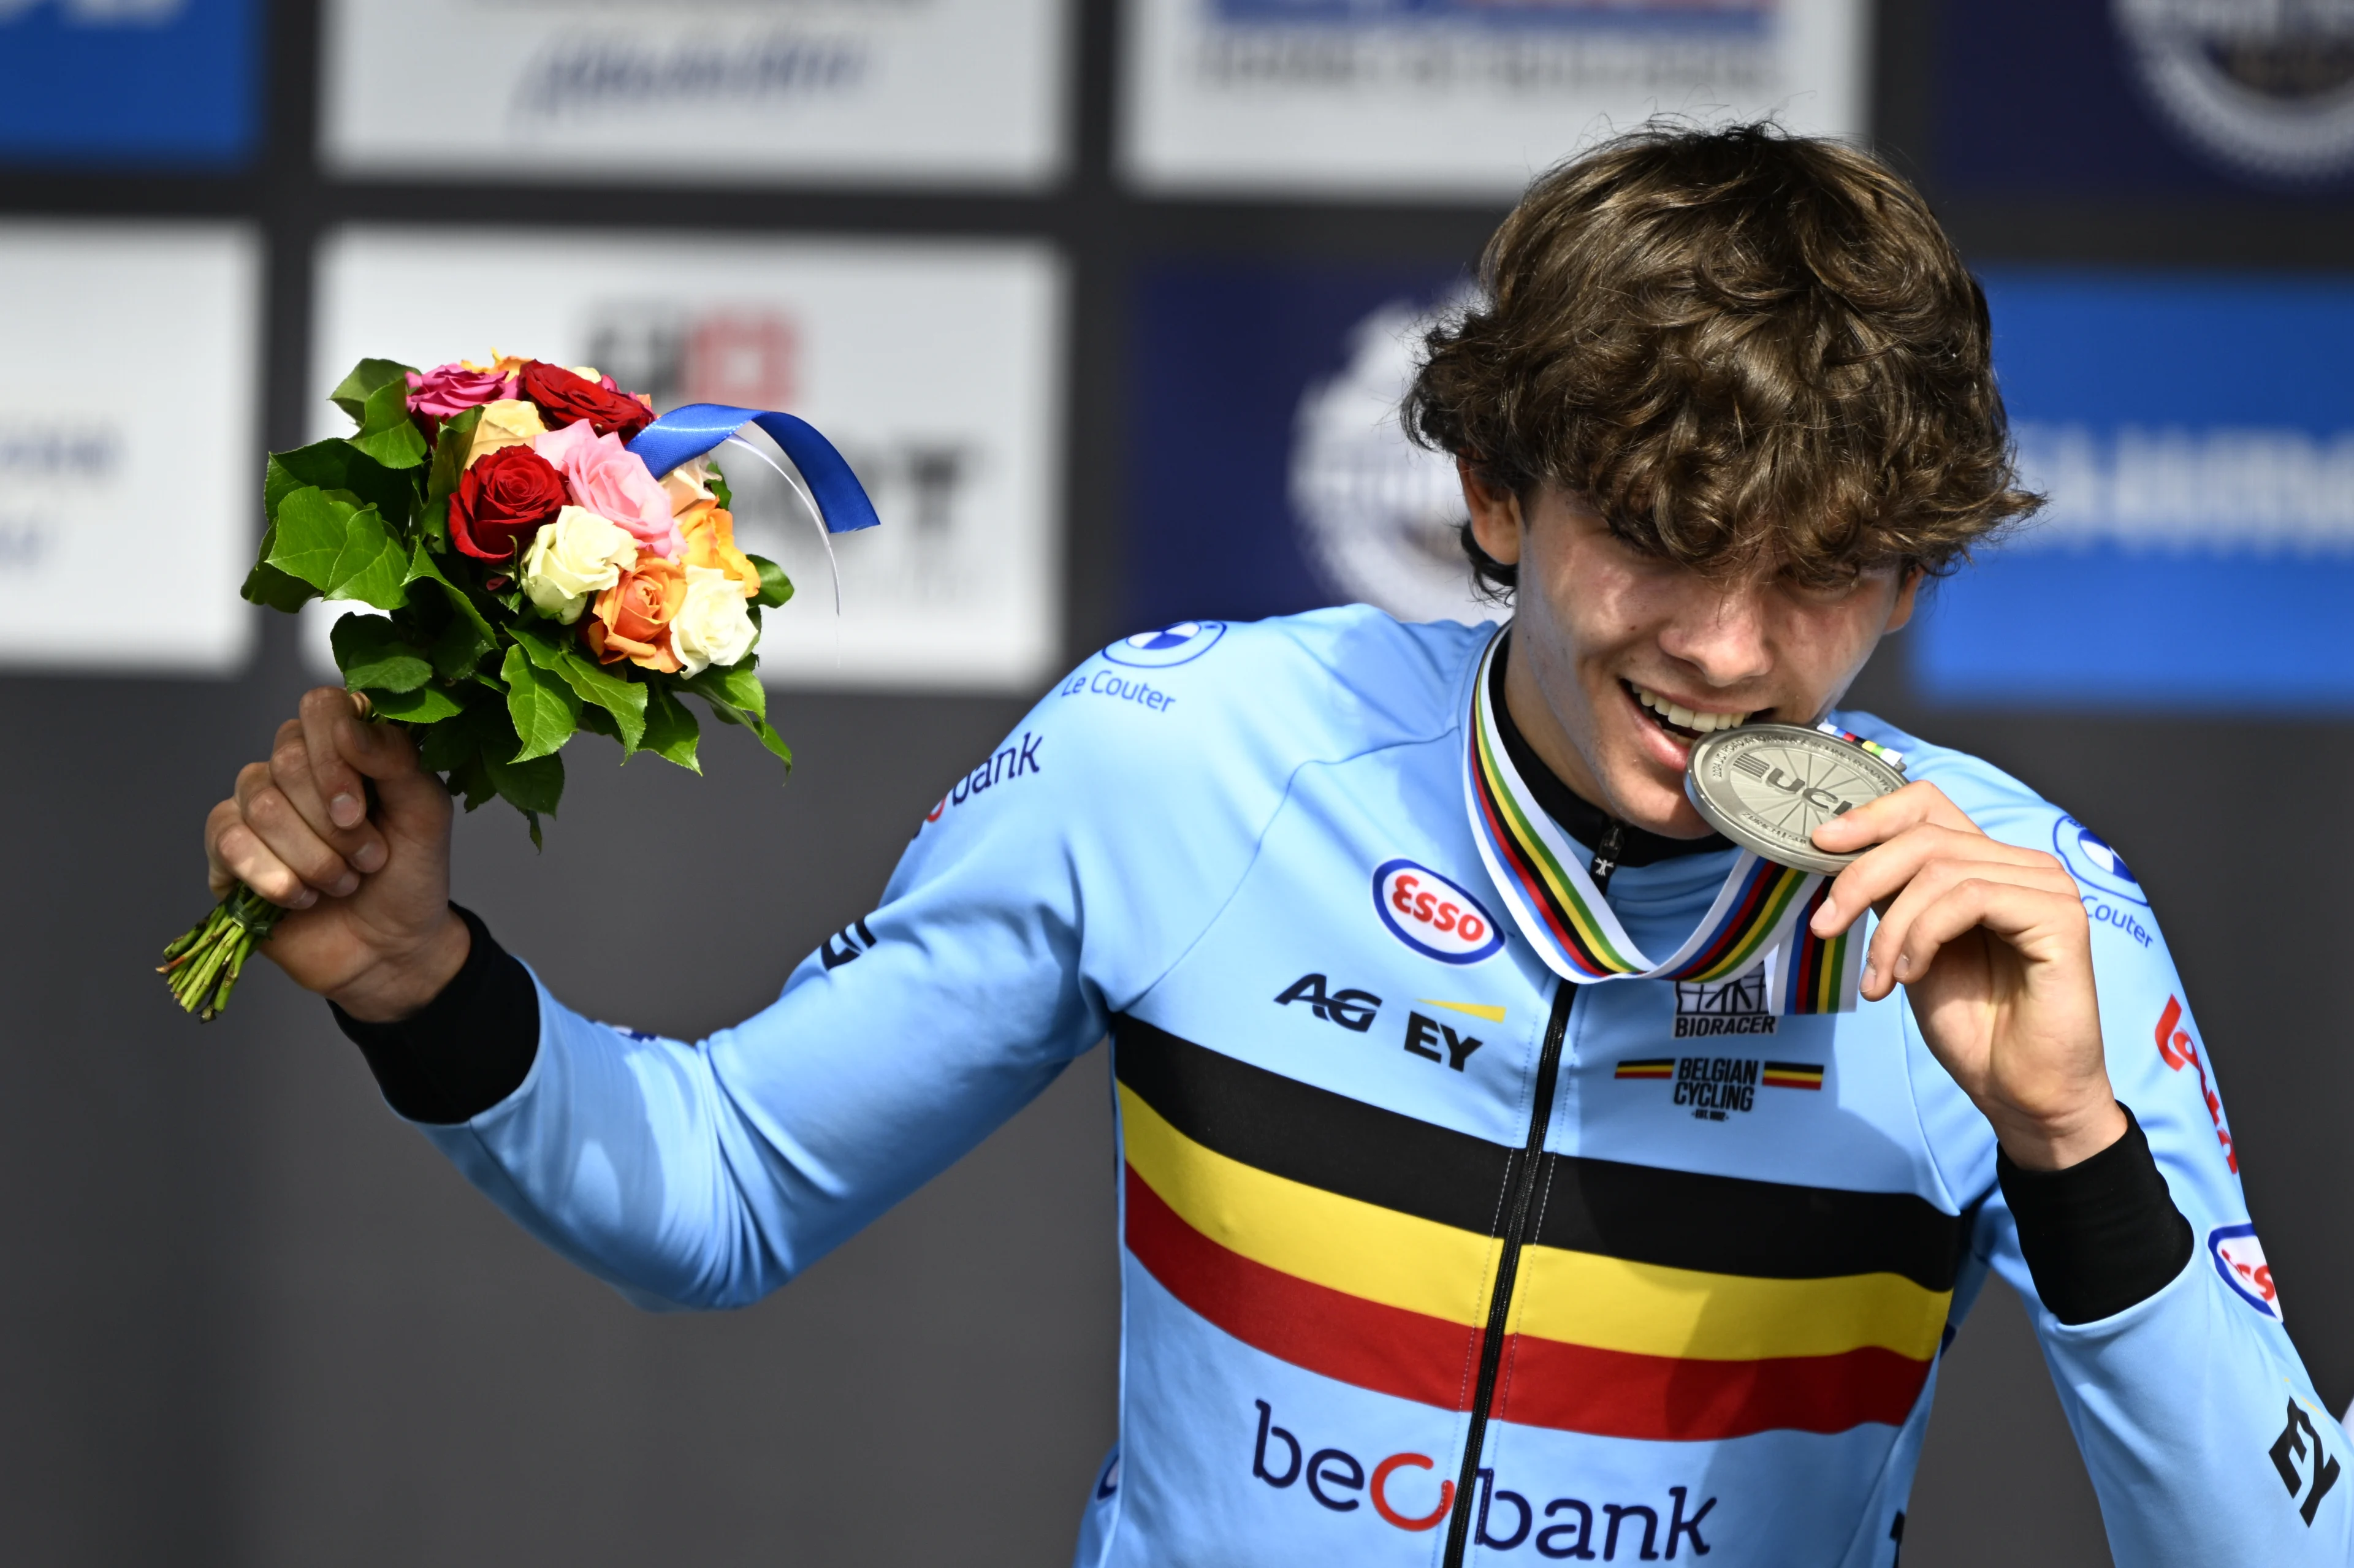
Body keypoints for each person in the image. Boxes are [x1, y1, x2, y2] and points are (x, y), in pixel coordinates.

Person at [201, 124, 2341, 1566]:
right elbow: (721, 1187)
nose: (1733, 651)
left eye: (1830, 577)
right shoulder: (1195, 757)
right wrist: (420, 981)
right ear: (1499, 493)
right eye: (1665, 540)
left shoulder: (2025, 928)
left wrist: (2074, 1150)